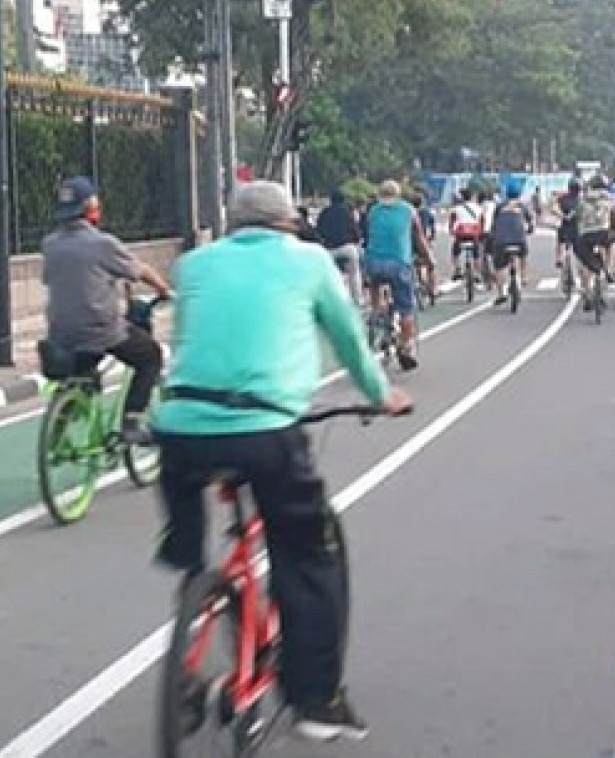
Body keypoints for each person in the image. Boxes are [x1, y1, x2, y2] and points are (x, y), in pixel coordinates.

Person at [153, 180, 411, 741]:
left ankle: (194, 592)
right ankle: (317, 701)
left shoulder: (194, 266)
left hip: (181, 431)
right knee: (310, 555)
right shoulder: (309, 261)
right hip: (267, 432)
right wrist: (381, 393)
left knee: (188, 535)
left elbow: (197, 343)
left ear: (234, 223)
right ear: (289, 223)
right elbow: (348, 341)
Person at [42, 176, 171, 444]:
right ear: (91, 207)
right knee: (150, 356)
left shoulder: (50, 244)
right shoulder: (102, 244)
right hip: (101, 331)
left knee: (83, 371)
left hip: (61, 334)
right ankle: (132, 422)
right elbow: (140, 270)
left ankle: (60, 424)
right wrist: (163, 289)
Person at [365, 180, 430, 371]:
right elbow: (419, 238)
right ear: (398, 194)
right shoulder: (409, 211)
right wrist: (428, 259)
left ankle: (377, 313)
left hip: (373, 262)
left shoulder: (373, 211)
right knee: (406, 308)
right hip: (399, 263)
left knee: (376, 283)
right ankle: (406, 347)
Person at [573, 175, 615, 312]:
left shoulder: (582, 199)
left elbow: (577, 217)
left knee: (586, 264)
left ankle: (587, 294)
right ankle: (609, 268)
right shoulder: (611, 199)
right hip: (603, 233)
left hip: (586, 234)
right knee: (613, 243)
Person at [489, 185, 535, 305]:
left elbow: (494, 224)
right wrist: (530, 229)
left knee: (499, 267)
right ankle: (524, 276)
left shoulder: (499, 207)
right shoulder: (522, 206)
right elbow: (531, 222)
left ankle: (501, 293)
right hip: (519, 240)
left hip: (501, 241)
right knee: (523, 254)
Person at [316, 189, 363, 305]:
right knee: (354, 273)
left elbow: (319, 231)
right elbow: (356, 233)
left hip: (329, 249)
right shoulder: (348, 212)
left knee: (329, 276)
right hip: (347, 248)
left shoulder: (324, 213)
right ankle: (357, 299)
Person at [448, 187, 485, 281]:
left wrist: (451, 230)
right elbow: (482, 221)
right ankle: (477, 273)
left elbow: (452, 221)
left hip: (461, 235)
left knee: (454, 252)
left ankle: (457, 270)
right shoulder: (478, 208)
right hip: (474, 235)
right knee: (477, 254)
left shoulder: (456, 208)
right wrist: (481, 232)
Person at [408, 193, 438, 299]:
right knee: (431, 265)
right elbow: (432, 227)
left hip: (408, 243)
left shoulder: (407, 213)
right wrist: (432, 238)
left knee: (412, 264)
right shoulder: (426, 212)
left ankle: (417, 284)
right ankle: (433, 288)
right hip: (423, 241)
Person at [552, 178, 582, 269]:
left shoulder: (562, 198)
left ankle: (559, 258)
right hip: (577, 228)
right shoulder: (580, 199)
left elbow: (554, 209)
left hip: (565, 226)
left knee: (560, 242)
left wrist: (563, 216)